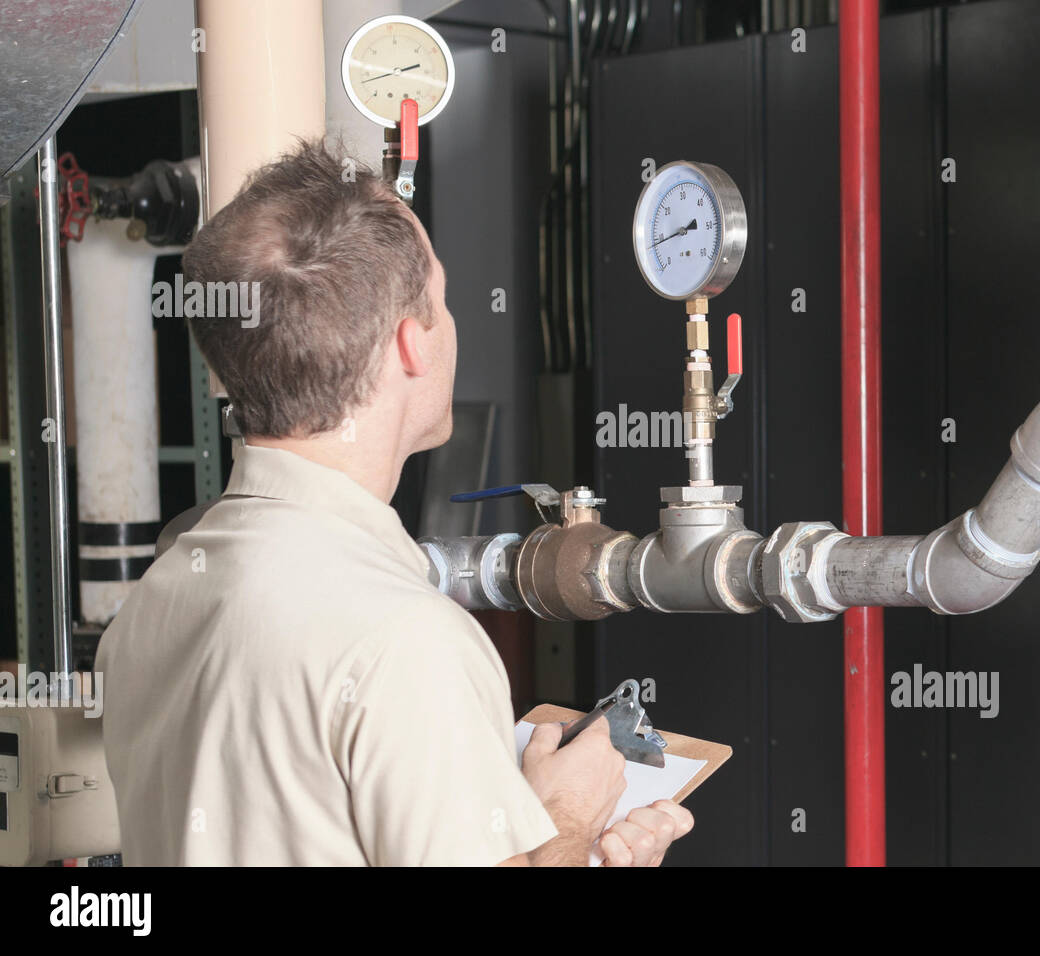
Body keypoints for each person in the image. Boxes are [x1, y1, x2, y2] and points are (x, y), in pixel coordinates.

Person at [95, 139, 692, 866]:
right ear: (412, 346)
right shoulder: (404, 641)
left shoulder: (158, 598)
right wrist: (565, 818)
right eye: (442, 302)